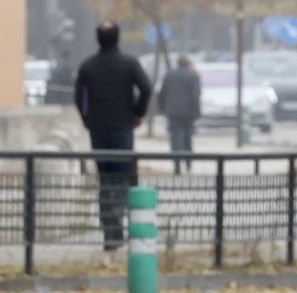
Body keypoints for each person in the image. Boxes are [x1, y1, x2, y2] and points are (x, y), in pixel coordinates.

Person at [72, 20, 153, 250]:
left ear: (98, 39)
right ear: (118, 38)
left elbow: (79, 97)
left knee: (105, 179)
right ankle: (119, 213)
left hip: (98, 131)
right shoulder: (129, 64)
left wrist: (87, 120)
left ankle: (111, 233)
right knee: (121, 176)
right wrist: (138, 113)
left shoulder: (88, 67)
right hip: (122, 129)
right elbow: (146, 88)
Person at [158, 54, 202, 172]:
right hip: (188, 112)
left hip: (172, 112)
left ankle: (176, 165)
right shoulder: (193, 75)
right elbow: (195, 95)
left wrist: (162, 109)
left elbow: (162, 93)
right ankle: (188, 162)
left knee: (175, 138)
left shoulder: (169, 74)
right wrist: (197, 111)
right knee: (188, 137)